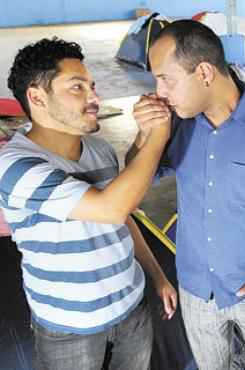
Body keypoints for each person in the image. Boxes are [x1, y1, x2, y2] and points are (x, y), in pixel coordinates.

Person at [128, 20, 245, 370]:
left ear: (203, 72)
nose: (159, 92)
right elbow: (137, 179)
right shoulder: (178, 126)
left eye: (165, 79)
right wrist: (144, 135)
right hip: (196, 287)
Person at [0, 37, 177, 370]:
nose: (95, 98)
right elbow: (110, 206)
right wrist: (158, 136)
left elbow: (121, 217)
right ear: (37, 97)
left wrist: (156, 276)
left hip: (131, 308)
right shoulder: (15, 167)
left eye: (92, 86)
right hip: (70, 329)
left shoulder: (98, 149)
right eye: (77, 88)